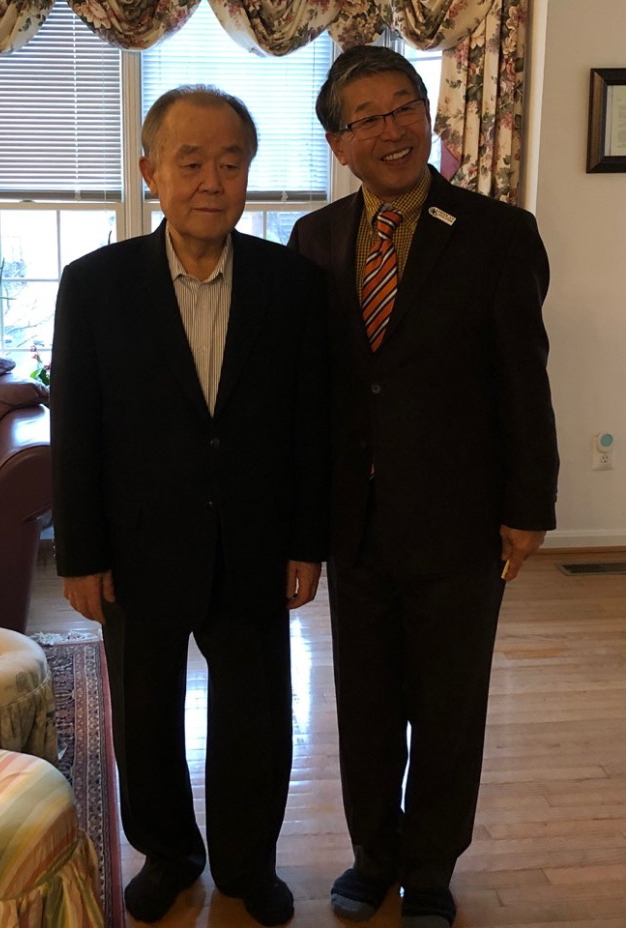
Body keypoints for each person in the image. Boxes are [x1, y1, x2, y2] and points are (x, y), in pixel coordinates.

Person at [288, 46, 559, 928]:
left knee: (449, 707)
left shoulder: (498, 233)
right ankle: (373, 857)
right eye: (366, 117)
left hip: (459, 519)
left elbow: (524, 378)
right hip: (356, 523)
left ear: (428, 115)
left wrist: (528, 507)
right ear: (340, 143)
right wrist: (301, 523)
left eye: (404, 106)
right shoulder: (315, 240)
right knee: (365, 707)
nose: (392, 129)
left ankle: (432, 868)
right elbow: (312, 393)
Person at [50, 85, 329, 927]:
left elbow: (309, 424)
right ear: (151, 172)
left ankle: (247, 863)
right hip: (138, 547)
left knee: (256, 716)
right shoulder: (94, 286)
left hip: (253, 545)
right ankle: (169, 853)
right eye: (191, 161)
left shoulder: (292, 283)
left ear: (249, 174)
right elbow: (76, 429)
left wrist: (307, 542)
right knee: (145, 717)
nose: (213, 181)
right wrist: (81, 555)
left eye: (231, 163)